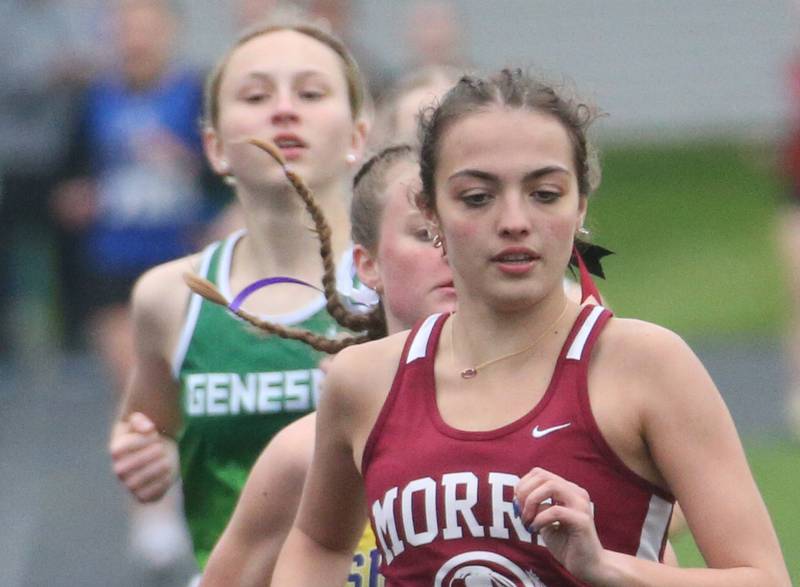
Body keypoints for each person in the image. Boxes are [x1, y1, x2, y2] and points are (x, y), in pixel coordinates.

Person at [270, 69, 790, 585]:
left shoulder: (645, 365)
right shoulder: (365, 379)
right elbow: (319, 542)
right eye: (478, 197)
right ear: (430, 212)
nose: (515, 220)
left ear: (580, 205)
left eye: (544, 193)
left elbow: (763, 578)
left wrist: (603, 567)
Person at [108, 16, 370, 571]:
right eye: (255, 95)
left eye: (311, 92)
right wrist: (145, 453)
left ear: (357, 137)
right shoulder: (170, 297)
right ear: (215, 147)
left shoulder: (400, 289)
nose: (283, 109)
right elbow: (147, 426)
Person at [199, 144, 456, 586]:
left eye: (466, 228)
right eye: (424, 234)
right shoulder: (304, 456)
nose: (452, 251)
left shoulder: (567, 420)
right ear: (367, 264)